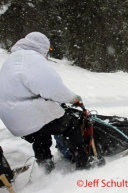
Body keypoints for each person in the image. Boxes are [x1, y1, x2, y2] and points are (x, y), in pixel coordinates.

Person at [0, 32, 98, 173]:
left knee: (40, 135)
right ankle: (84, 164)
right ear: (43, 46)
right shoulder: (31, 58)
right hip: (26, 113)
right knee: (71, 123)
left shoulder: (12, 59)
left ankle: (46, 169)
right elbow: (52, 88)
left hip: (11, 119)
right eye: (48, 49)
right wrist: (73, 98)